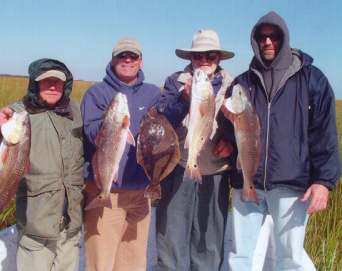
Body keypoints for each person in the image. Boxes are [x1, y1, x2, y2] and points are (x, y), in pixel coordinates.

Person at [224, 11, 341, 271]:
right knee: (240, 254)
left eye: (274, 36)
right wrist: (226, 129)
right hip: (247, 182)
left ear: (284, 39)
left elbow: (325, 134)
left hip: (292, 184)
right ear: (255, 41)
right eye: (262, 37)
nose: (268, 42)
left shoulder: (313, 80)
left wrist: (323, 182)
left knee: (290, 257)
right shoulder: (243, 83)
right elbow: (231, 134)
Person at [0, 58, 84, 271]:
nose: (52, 86)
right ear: (35, 83)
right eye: (46, 81)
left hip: (71, 222)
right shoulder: (17, 113)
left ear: (66, 84)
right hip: (36, 225)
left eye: (58, 81)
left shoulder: (74, 110)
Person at [156, 29, 235, 270]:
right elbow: (161, 122)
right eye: (198, 54)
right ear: (190, 58)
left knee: (209, 244)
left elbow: (242, 126)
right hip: (178, 168)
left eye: (210, 54)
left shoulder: (234, 86)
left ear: (219, 58)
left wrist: (230, 141)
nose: (204, 59)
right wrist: (183, 99)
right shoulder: (175, 82)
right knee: (170, 241)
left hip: (216, 173)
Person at [81, 38, 162, 271]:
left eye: (133, 56)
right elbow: (89, 131)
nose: (128, 60)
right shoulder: (96, 92)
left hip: (140, 194)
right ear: (113, 59)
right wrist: (112, 123)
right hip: (106, 189)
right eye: (122, 55)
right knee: (101, 262)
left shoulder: (152, 93)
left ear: (141, 61)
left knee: (134, 261)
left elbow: (162, 127)